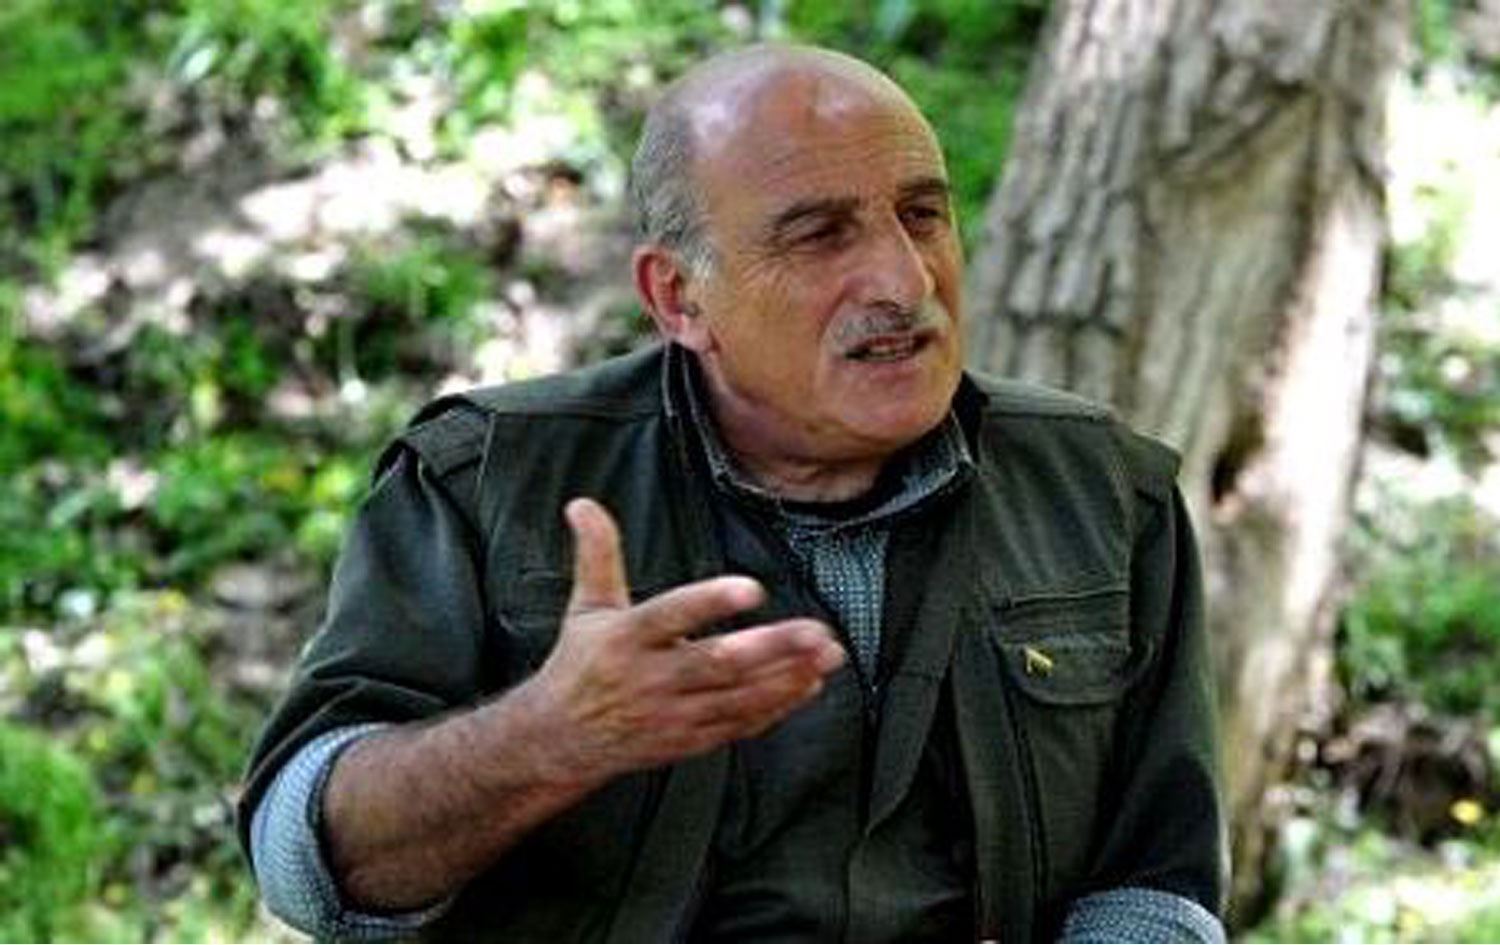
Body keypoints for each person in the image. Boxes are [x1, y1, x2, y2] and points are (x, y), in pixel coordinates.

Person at [238, 43, 1227, 943]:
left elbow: (1157, 887)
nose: (904, 278)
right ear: (680, 297)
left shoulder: (1103, 492)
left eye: (923, 215)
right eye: (819, 236)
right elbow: (304, 863)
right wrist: (547, 735)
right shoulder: (485, 482)